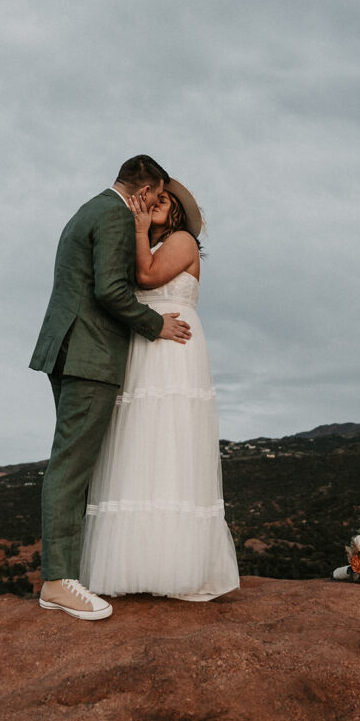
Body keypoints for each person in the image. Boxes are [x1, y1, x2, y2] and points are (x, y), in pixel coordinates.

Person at [29, 155, 192, 620]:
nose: (159, 204)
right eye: (159, 196)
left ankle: (64, 575)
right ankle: (59, 582)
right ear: (145, 191)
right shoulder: (117, 215)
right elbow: (111, 291)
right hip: (90, 355)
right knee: (73, 466)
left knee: (71, 463)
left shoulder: (89, 209)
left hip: (68, 350)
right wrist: (154, 323)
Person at [79, 179, 239, 600]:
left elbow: (147, 277)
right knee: (138, 445)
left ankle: (180, 567)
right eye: (152, 200)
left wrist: (136, 227)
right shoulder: (141, 246)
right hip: (144, 347)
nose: (154, 206)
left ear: (179, 211)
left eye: (163, 201)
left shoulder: (183, 241)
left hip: (176, 349)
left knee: (173, 445)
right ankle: (135, 566)